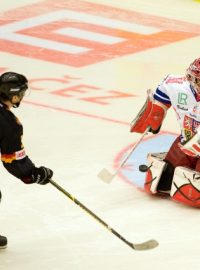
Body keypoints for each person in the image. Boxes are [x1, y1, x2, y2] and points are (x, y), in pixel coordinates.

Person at [130, 57, 200, 208]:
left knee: (194, 191)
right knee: (164, 179)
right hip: (187, 140)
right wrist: (155, 113)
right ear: (191, 78)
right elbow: (161, 96)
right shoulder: (175, 85)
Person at [0, 72, 53, 249]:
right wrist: (33, 174)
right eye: (21, 93)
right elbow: (13, 159)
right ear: (13, 95)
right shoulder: (8, 124)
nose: (22, 97)